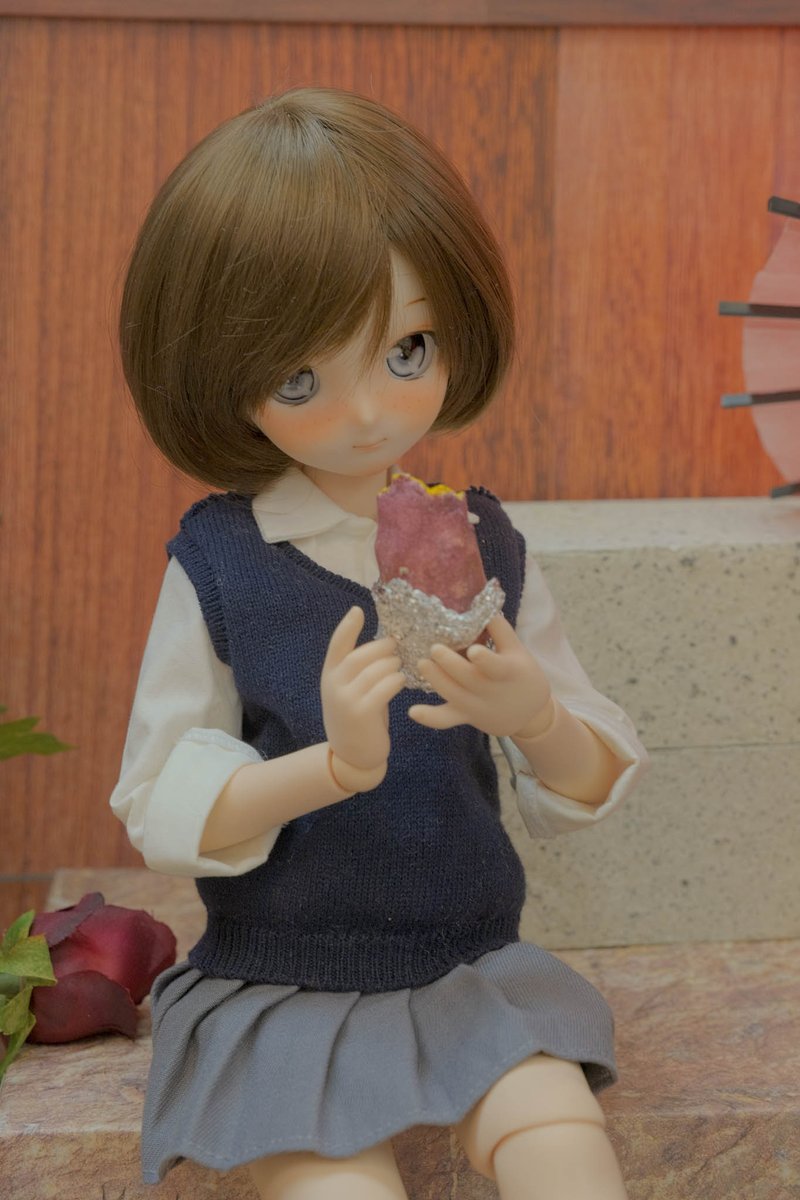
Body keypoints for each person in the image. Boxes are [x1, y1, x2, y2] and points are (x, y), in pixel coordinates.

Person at [111, 86, 648, 1200]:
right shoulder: (222, 562)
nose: (365, 414)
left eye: (407, 349)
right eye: (299, 377)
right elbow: (159, 800)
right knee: (337, 1186)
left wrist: (534, 717)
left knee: (560, 1140)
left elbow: (592, 773)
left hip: (467, 968)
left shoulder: (483, 544)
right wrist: (332, 768)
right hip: (283, 981)